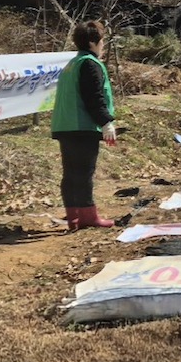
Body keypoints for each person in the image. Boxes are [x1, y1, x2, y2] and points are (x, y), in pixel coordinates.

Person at [50, 20, 118, 230]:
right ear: (92, 42)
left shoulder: (72, 64)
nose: (103, 45)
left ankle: (74, 217)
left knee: (71, 173)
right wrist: (106, 122)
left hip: (65, 125)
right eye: (101, 40)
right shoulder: (90, 64)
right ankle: (88, 215)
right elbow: (94, 97)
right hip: (82, 126)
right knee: (84, 172)